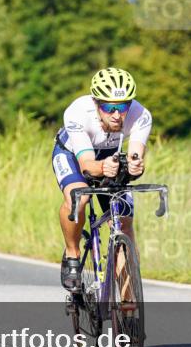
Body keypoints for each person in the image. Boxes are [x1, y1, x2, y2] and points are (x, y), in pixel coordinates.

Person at [52, 67, 152, 290]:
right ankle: (72, 254)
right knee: (79, 198)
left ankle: (128, 308)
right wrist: (102, 167)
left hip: (109, 156)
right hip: (73, 154)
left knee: (124, 221)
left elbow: (136, 153)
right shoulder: (77, 112)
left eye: (123, 106)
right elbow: (87, 166)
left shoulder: (140, 115)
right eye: (109, 107)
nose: (117, 115)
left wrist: (135, 165)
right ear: (96, 103)